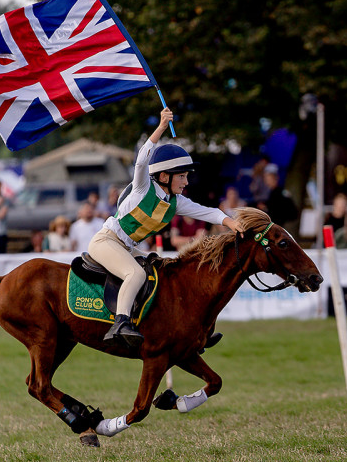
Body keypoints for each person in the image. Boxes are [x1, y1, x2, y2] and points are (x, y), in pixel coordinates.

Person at [87, 107, 243, 347]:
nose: (187, 181)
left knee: (164, 270)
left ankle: (190, 328)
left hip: (126, 248)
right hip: (105, 242)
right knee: (136, 274)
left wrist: (231, 222)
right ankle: (120, 323)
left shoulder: (176, 202)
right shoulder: (142, 188)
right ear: (163, 176)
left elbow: (207, 212)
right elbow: (141, 161)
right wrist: (161, 127)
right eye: (182, 176)